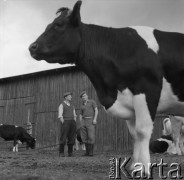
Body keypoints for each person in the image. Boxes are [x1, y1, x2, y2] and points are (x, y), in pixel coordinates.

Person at [79, 91, 98, 156]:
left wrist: (95, 119)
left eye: (84, 96)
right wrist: (81, 122)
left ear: (87, 96)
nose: (84, 97)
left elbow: (96, 110)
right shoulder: (82, 105)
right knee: (84, 137)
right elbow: (81, 114)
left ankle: (91, 153)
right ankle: (87, 152)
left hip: (90, 120)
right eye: (82, 96)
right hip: (84, 121)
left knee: (91, 136)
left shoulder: (92, 102)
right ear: (81, 98)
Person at [58, 92, 77, 157]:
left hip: (72, 122)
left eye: (71, 96)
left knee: (72, 137)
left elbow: (74, 114)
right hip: (66, 122)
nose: (71, 97)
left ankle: (70, 152)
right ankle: (61, 153)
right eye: (69, 96)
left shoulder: (72, 105)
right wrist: (63, 122)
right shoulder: (62, 105)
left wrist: (74, 121)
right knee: (63, 137)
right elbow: (60, 116)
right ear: (66, 97)